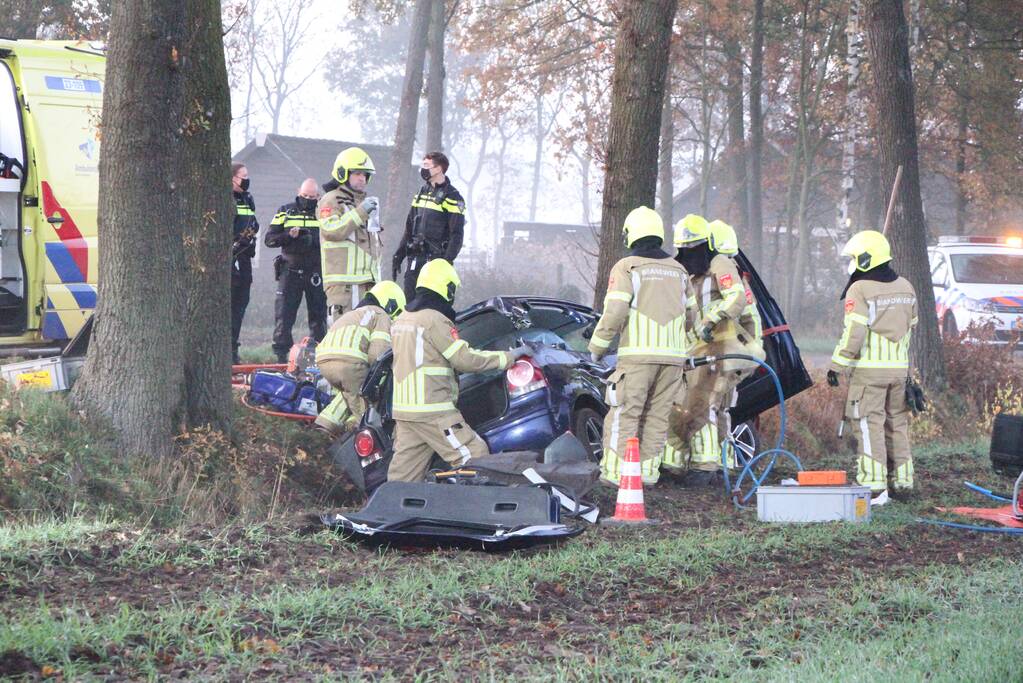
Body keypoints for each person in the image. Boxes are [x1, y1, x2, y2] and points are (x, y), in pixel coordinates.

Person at [387, 259, 530, 482]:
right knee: (474, 457)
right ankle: (474, 511)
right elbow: (464, 360)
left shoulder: (402, 320)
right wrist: (507, 358)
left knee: (403, 477)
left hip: (405, 412)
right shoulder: (435, 320)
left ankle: (392, 511)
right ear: (447, 288)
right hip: (433, 409)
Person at [588, 206, 697, 487]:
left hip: (637, 358)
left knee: (625, 413)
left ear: (631, 234)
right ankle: (647, 475)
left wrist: (596, 348)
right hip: (673, 359)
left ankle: (614, 475)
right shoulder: (680, 271)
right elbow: (692, 317)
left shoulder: (627, 267)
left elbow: (615, 313)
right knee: (657, 416)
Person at [664, 217, 765, 485]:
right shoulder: (697, 273)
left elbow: (739, 304)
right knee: (715, 409)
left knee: (704, 407)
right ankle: (722, 465)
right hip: (705, 351)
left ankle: (705, 467)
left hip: (717, 350)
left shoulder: (720, 265)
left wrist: (712, 322)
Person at [828, 230, 917, 500]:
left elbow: (854, 333)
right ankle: (903, 483)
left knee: (868, 424)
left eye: (854, 258)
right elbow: (911, 326)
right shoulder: (906, 286)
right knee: (897, 425)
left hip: (869, 374)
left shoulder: (860, 288)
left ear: (866, 259)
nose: (852, 263)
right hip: (899, 372)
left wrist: (837, 366)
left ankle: (874, 484)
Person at [314, 280, 406, 437]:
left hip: (324, 361)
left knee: (349, 395)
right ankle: (361, 434)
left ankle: (324, 427)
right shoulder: (380, 314)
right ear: (391, 304)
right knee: (368, 406)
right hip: (350, 364)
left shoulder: (353, 314)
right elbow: (378, 353)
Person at [265, 178, 328, 363]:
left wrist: (311, 240)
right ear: (298, 192)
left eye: (311, 196)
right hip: (290, 270)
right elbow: (269, 239)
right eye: (304, 195)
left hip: (315, 271)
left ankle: (316, 355)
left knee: (318, 316)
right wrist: (288, 236)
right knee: (284, 315)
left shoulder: (323, 212)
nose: (307, 199)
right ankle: (281, 357)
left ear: (318, 196)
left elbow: (333, 238)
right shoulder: (285, 210)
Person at [391, 151, 466, 300]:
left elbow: (456, 235)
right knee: (409, 301)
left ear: (438, 169)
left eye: (427, 166)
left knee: (429, 304)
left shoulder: (453, 197)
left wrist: (445, 263)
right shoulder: (421, 192)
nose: (423, 169)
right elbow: (409, 226)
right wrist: (399, 254)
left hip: (435, 262)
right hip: (415, 257)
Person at [317, 147, 380, 320]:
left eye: (365, 174)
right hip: (344, 285)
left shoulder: (363, 203)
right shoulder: (331, 199)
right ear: (343, 173)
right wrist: (360, 213)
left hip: (366, 282)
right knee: (343, 333)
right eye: (357, 173)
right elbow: (331, 230)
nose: (362, 178)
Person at [231, 162, 258, 364]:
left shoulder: (248, 199)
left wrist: (249, 236)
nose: (246, 179)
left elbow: (253, 224)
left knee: (241, 304)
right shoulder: (225, 198)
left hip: (245, 257)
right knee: (229, 305)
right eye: (243, 176)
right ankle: (227, 350)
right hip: (230, 259)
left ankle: (234, 348)